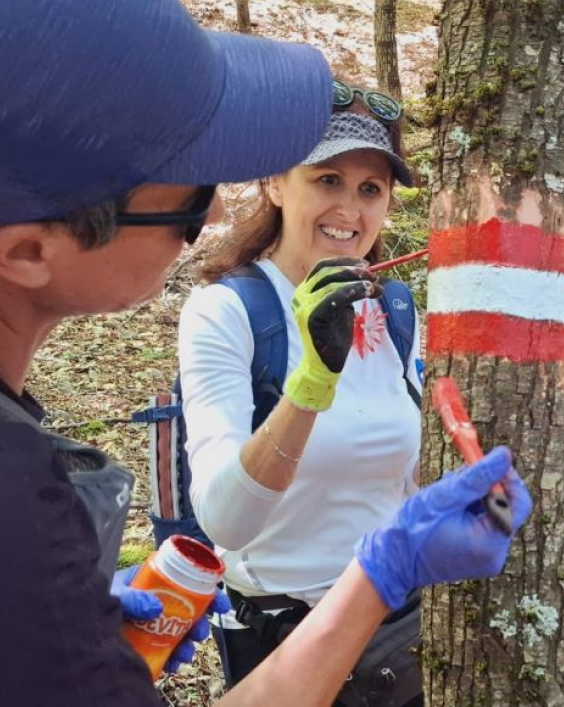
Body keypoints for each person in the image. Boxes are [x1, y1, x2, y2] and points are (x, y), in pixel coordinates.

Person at [0, 0, 530, 705]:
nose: (215, 199)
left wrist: (41, 641)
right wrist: (380, 573)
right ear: (26, 251)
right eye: (186, 182)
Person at [176, 91, 424, 689]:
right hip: (289, 643)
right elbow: (225, 523)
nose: (350, 208)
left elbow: (409, 481)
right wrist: (312, 381)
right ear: (276, 184)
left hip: (398, 631)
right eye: (329, 179)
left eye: (371, 189)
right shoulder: (227, 312)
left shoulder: (394, 309)